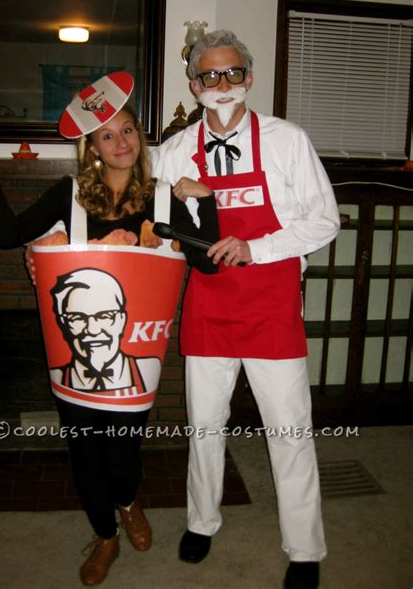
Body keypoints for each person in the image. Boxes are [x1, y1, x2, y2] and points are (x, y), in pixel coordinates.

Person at [0, 92, 219, 586]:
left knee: (123, 456)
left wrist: (206, 202)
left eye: (128, 130)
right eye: (106, 135)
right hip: (72, 358)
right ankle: (105, 534)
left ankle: (129, 501)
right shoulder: (68, 194)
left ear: (141, 136)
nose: (120, 142)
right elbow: (8, 235)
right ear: (91, 147)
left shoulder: (163, 196)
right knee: (85, 452)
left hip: (136, 358)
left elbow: (205, 260)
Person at [151, 30, 340, 589]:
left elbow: (324, 220)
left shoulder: (288, 141)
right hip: (208, 305)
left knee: (289, 429)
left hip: (271, 302)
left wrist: (255, 247)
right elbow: (119, 183)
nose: (223, 84)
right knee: (205, 425)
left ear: (249, 78)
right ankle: (202, 522)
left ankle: (305, 550)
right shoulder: (177, 149)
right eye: (210, 76)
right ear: (195, 85)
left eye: (233, 73)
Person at [50, 267, 161, 395]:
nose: (92, 330)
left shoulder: (147, 369)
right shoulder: (57, 376)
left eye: (104, 316)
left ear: (121, 320)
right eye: (77, 318)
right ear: (63, 325)